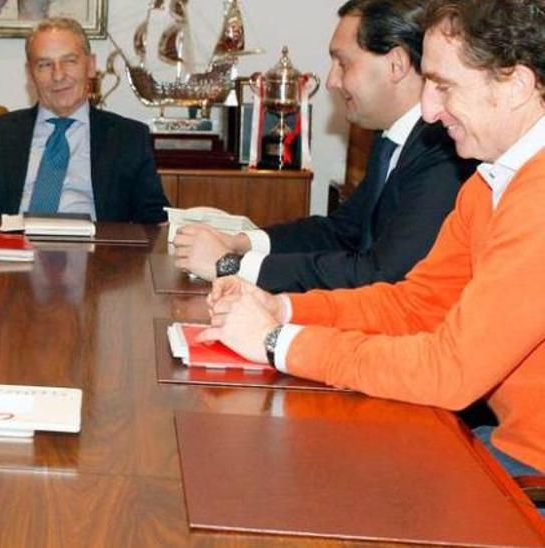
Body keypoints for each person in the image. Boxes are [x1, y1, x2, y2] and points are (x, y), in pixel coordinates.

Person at [201, 0, 545, 491]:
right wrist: (283, 310)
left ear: (515, 85)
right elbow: (415, 304)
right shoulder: (489, 184)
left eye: (444, 86)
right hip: (507, 447)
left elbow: (450, 372)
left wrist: (279, 344)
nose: (428, 109)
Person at [172, 0, 475, 292]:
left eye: (343, 63)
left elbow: (382, 274)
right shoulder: (392, 140)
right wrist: (242, 242)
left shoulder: (443, 152)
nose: (331, 81)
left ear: (396, 64)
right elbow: (341, 232)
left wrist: (233, 265)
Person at [0, 17, 169, 224]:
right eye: (44, 64)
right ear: (30, 73)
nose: (58, 75)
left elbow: (154, 219)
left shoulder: (128, 137)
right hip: (12, 255)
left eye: (69, 61)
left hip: (96, 260)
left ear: (90, 66)